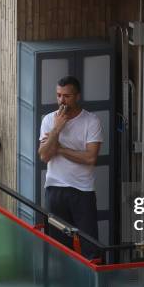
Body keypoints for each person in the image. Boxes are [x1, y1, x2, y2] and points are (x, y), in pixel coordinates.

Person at [38, 76, 103, 258]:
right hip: (54, 188)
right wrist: (57, 129)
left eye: (66, 96)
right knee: (58, 246)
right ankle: (62, 284)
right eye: (58, 95)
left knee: (89, 244)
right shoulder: (49, 120)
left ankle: (91, 284)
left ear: (77, 96)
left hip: (82, 190)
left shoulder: (91, 121)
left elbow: (90, 157)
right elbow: (44, 155)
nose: (61, 100)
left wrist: (58, 148)